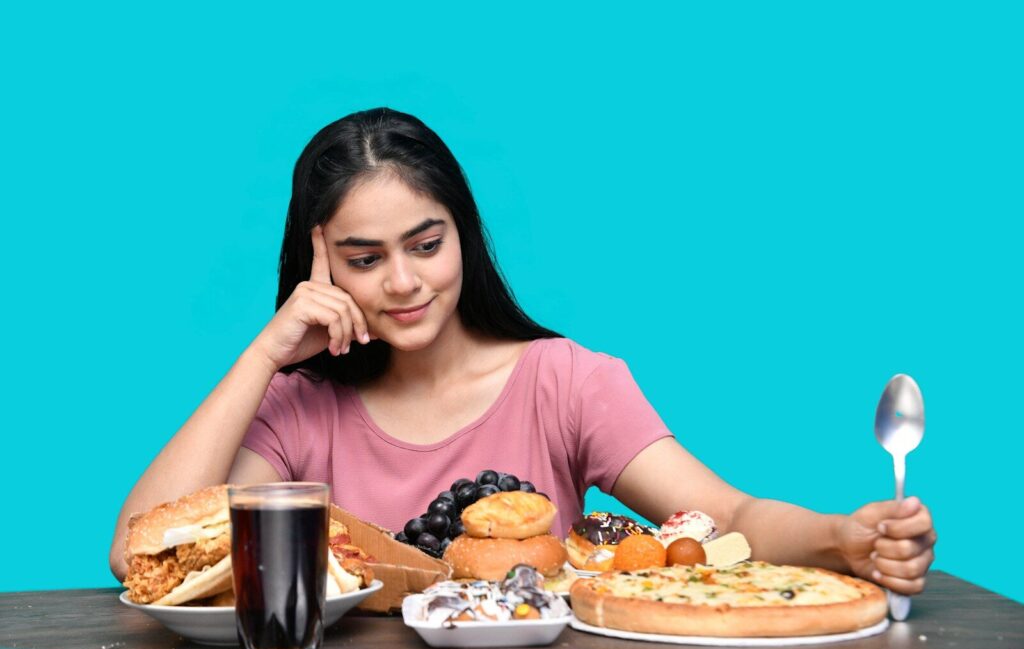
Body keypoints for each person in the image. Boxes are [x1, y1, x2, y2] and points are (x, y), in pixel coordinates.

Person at [109, 108, 936, 595]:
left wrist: (840, 537)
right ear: (320, 257)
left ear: (461, 233)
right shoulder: (298, 410)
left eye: (425, 244)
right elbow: (136, 552)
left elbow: (729, 517)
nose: (403, 281)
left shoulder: (567, 381)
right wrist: (263, 356)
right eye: (364, 259)